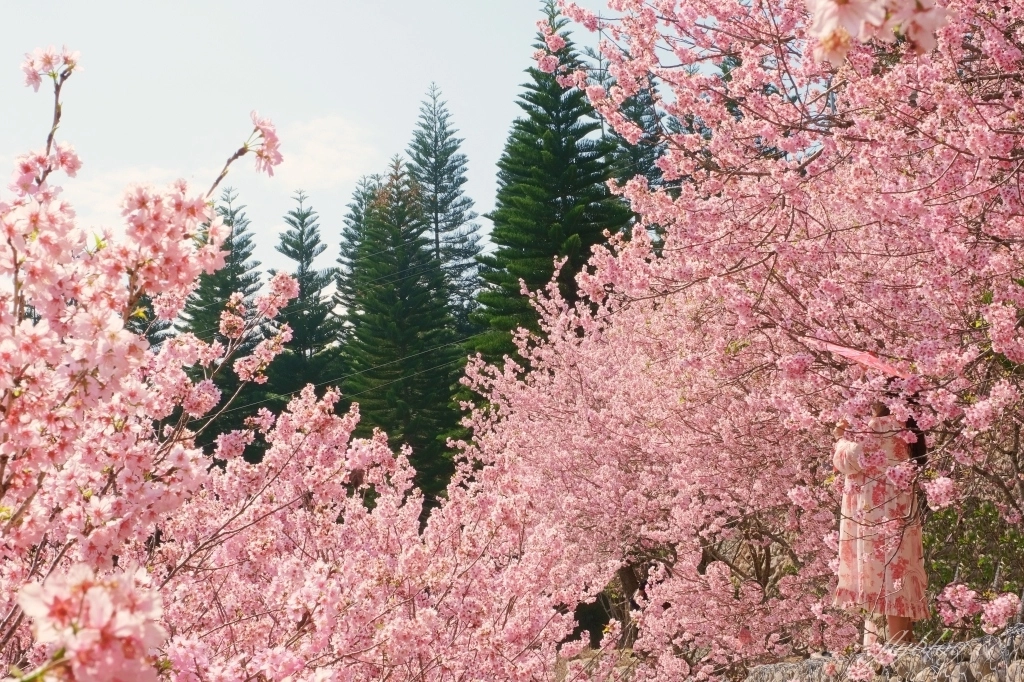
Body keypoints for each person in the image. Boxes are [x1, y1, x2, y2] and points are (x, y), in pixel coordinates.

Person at [832, 402, 929, 644]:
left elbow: (849, 460)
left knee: (882, 577)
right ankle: (901, 647)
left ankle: (891, 650)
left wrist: (840, 437)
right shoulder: (907, 424)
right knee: (900, 573)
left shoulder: (879, 425)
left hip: (876, 512)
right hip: (900, 506)